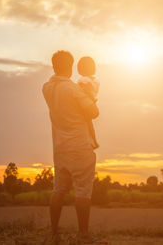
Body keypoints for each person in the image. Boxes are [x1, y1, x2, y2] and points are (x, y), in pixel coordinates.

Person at [42, 50, 102, 244]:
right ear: (70, 66)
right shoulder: (73, 89)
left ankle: (53, 233)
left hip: (60, 147)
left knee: (58, 189)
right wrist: (91, 96)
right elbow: (94, 112)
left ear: (53, 66)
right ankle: (83, 235)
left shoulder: (46, 88)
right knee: (83, 190)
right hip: (79, 145)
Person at [77, 56, 100, 149]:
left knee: (86, 123)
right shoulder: (95, 80)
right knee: (89, 124)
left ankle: (93, 141)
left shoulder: (83, 80)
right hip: (92, 102)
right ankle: (94, 140)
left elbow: (84, 91)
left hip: (85, 104)